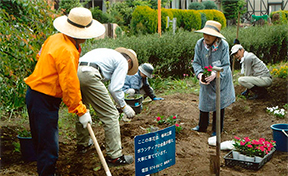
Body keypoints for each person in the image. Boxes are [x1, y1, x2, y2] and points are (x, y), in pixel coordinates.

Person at [24, 7, 105, 175]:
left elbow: (42, 58)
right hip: (44, 99)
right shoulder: (67, 51)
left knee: (42, 143)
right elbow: (69, 84)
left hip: (34, 94)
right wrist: (80, 110)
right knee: (49, 149)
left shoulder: (55, 38)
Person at [76, 47, 138, 166]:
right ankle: (114, 157)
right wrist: (124, 107)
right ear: (129, 61)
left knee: (82, 109)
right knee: (111, 115)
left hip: (76, 72)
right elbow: (114, 89)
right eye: (129, 69)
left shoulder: (105, 54)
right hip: (90, 75)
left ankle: (82, 144)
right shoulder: (123, 62)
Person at [191, 20, 235, 137]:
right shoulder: (199, 44)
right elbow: (196, 62)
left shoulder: (223, 45)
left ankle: (217, 129)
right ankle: (202, 126)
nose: (206, 37)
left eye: (209, 35)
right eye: (205, 34)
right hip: (206, 77)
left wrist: (215, 73)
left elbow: (226, 65)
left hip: (221, 78)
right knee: (204, 100)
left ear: (216, 37)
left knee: (218, 103)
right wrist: (200, 75)